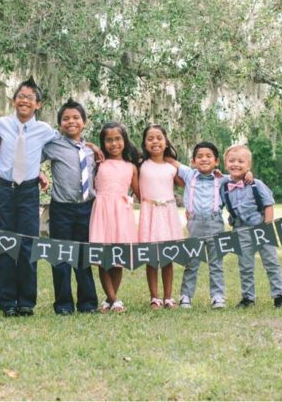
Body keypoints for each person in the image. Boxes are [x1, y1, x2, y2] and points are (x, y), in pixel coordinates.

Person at [0, 78, 60, 317]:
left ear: (38, 105)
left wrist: (91, 147)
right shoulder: (1, 124)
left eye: (30, 98)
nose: (24, 100)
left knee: (28, 245)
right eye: (21, 96)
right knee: (6, 243)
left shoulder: (45, 130)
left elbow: (64, 143)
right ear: (13, 100)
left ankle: (26, 302)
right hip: (5, 189)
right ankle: (7, 301)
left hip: (29, 191)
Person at [41, 99, 99, 315]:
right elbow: (32, 158)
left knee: (83, 257)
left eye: (76, 118)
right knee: (62, 257)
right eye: (66, 118)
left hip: (86, 208)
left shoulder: (91, 150)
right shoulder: (53, 144)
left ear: (84, 122)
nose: (71, 121)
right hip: (62, 209)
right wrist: (38, 172)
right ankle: (64, 304)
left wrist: (92, 146)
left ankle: (88, 303)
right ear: (59, 124)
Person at [221, 145, 282, 309]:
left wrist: (268, 226)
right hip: (240, 230)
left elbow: (268, 204)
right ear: (225, 164)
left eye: (241, 161)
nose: (236, 164)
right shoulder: (224, 185)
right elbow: (214, 176)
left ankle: (280, 296)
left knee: (271, 263)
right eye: (231, 161)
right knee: (245, 265)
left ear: (248, 166)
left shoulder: (256, 184)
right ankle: (248, 298)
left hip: (261, 227)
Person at [89, 122, 141, 313]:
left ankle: (110, 300)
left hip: (121, 213)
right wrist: (93, 147)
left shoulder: (131, 167)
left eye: (117, 139)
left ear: (124, 141)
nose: (113, 143)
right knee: (104, 258)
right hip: (102, 211)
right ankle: (113, 298)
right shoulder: (98, 162)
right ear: (103, 142)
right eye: (108, 140)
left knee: (117, 258)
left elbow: (139, 192)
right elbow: (82, 146)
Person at [176, 142, 229, 309]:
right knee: (192, 262)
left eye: (208, 156)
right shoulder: (189, 175)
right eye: (199, 156)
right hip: (194, 224)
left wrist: (248, 173)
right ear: (192, 161)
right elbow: (171, 160)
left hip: (215, 223)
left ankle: (218, 296)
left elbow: (239, 175)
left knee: (216, 263)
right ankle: (185, 296)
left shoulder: (222, 179)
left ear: (216, 161)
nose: (204, 159)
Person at [138, 125, 183, 309]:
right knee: (151, 257)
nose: (155, 141)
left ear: (166, 142)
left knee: (167, 256)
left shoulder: (171, 167)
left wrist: (176, 163)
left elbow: (188, 181)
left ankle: (168, 296)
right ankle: (154, 297)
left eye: (159, 138)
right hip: (149, 211)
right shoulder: (140, 164)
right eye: (150, 138)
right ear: (144, 143)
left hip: (168, 213)